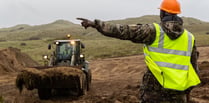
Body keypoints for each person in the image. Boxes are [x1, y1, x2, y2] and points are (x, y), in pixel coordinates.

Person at [77, 0, 201, 102]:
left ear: (163, 13)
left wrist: (96, 24)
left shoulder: (154, 31)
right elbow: (194, 70)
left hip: (154, 95)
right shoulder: (189, 38)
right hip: (179, 96)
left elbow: (123, 31)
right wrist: (186, 92)